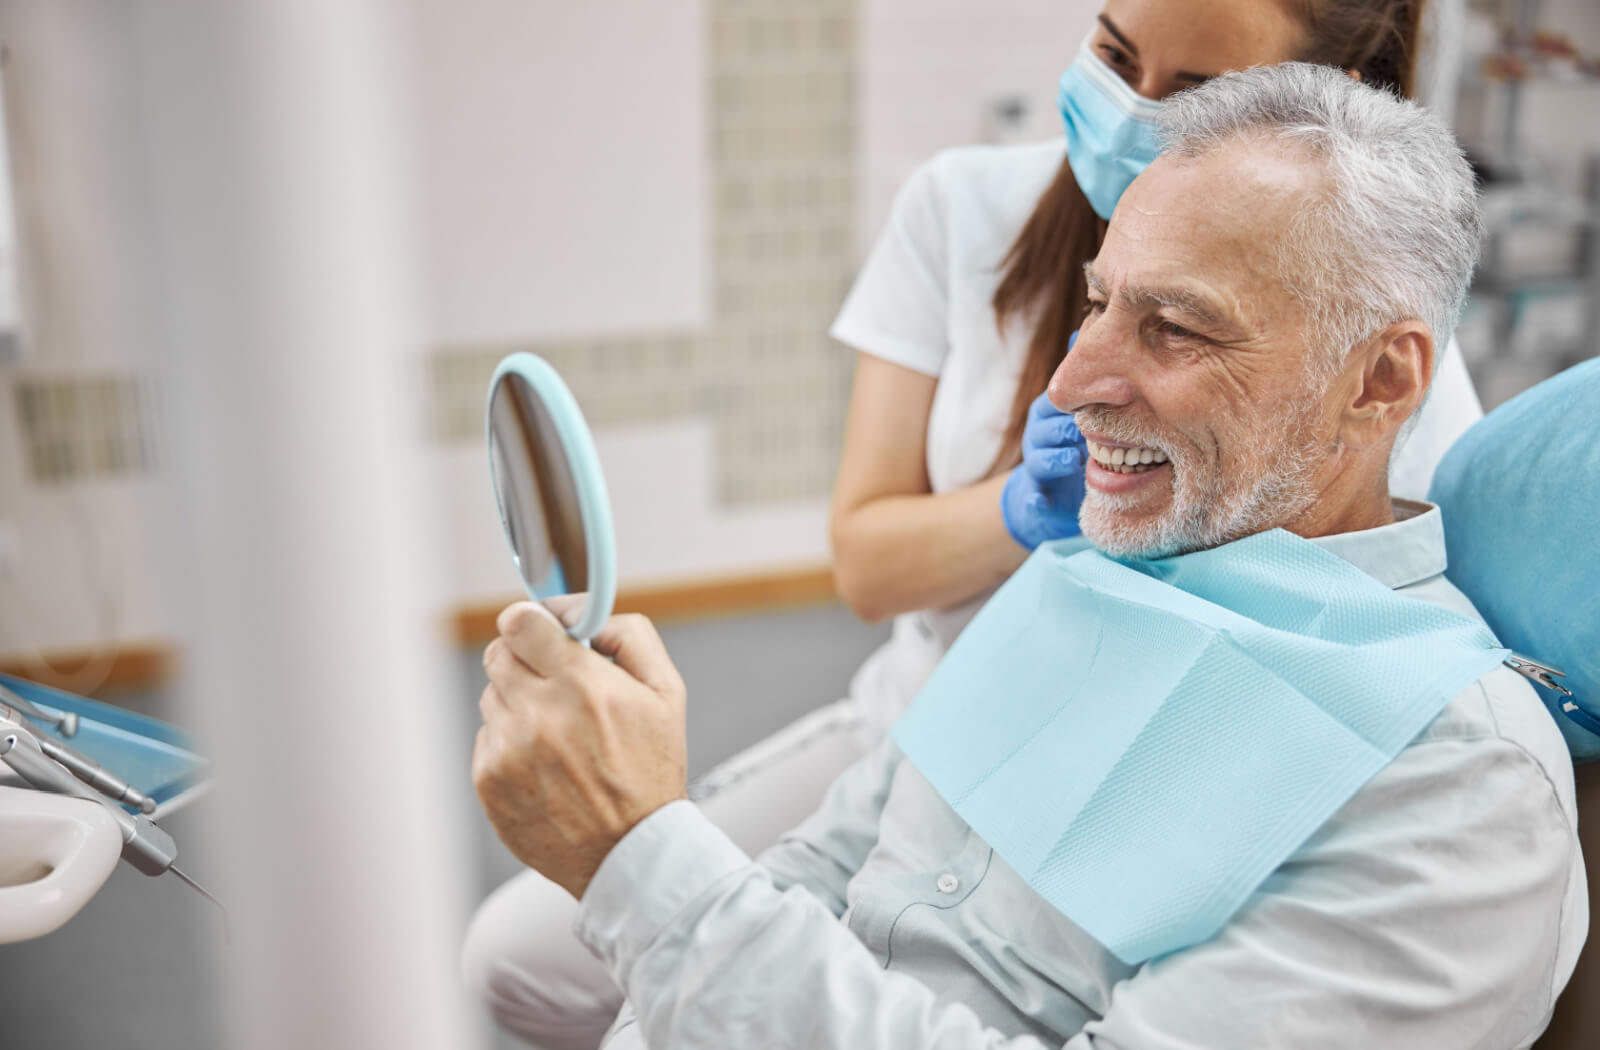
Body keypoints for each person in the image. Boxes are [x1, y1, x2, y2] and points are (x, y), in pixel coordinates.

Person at [471, 63, 1584, 1049]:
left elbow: (711, 929)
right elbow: (818, 870)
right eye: (1098, 304)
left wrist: (640, 857)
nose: (1069, 384)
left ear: (1379, 381)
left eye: (1175, 328)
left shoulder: (1456, 785)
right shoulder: (1089, 570)